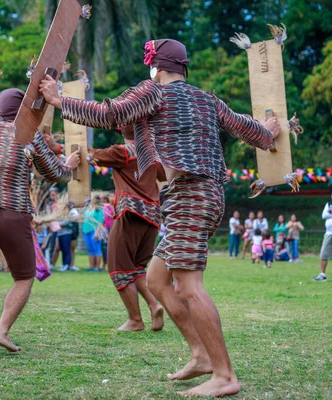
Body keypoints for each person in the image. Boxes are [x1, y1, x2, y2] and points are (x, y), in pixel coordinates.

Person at [39, 38, 279, 397]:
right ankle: (200, 355)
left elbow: (108, 113)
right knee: (156, 280)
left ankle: (225, 376)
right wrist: (270, 129)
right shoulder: (207, 99)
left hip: (190, 195)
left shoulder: (153, 91)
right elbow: (251, 130)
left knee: (189, 287)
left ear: (156, 67)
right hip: (203, 195)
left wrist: (59, 100)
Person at [0, 88, 80, 352]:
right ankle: (1, 331)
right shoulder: (28, 133)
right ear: (24, 108)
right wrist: (69, 165)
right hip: (12, 213)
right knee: (24, 277)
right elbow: (54, 172)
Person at [82, 125, 165, 331]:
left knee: (118, 268)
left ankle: (135, 320)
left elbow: (89, 155)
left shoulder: (122, 152)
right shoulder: (152, 155)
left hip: (130, 213)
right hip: (153, 217)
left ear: (123, 132)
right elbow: (164, 176)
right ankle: (154, 306)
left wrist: (57, 148)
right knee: (137, 268)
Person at [83, 196, 105, 271]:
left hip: (94, 230)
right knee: (90, 249)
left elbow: (100, 222)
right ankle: (91, 266)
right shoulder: (87, 209)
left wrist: (97, 233)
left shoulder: (99, 210)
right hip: (86, 230)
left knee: (97, 248)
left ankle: (97, 267)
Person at [101, 195, 114, 270]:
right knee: (105, 247)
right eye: (111, 197)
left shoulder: (117, 206)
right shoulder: (106, 207)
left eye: (113, 196)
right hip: (107, 228)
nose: (112, 198)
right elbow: (105, 218)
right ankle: (105, 264)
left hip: (115, 228)